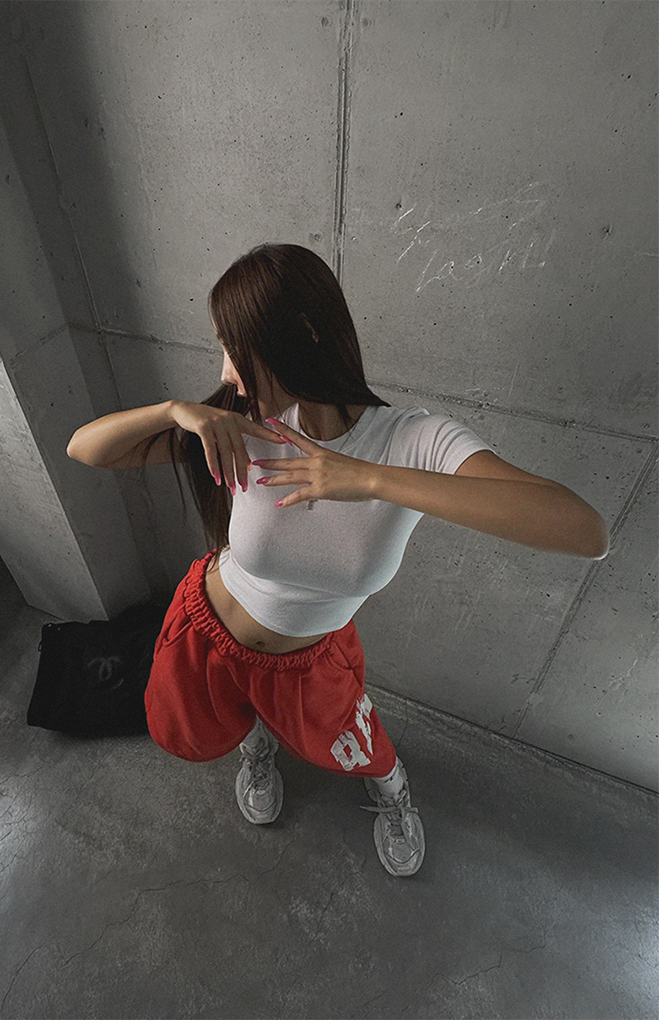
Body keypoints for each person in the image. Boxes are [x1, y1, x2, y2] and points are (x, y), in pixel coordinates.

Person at [66, 243, 609, 878]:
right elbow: (86, 450)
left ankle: (392, 791)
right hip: (206, 631)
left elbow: (584, 530)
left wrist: (369, 479)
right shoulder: (244, 419)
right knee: (217, 721)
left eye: (236, 349)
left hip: (307, 657)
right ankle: (256, 746)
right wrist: (172, 412)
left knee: (357, 745)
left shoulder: (412, 440)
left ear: (303, 334)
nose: (227, 372)